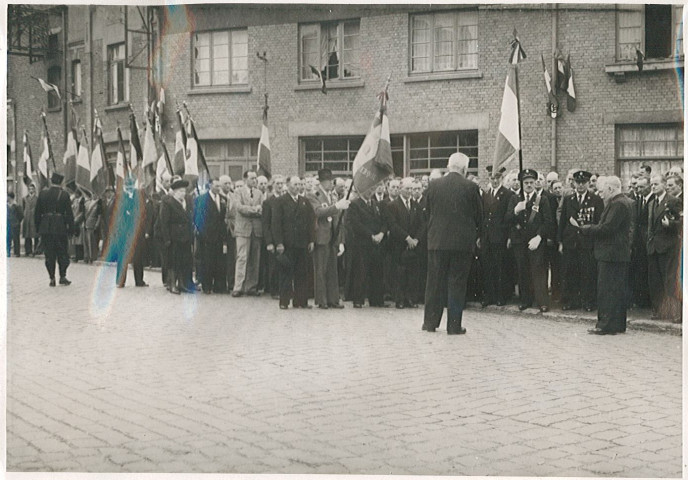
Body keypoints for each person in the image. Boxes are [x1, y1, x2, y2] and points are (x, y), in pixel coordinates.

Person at [422, 152, 482, 334]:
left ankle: (430, 323)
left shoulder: (433, 185)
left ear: (448, 166)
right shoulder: (471, 187)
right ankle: (453, 325)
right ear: (465, 169)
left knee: (434, 283)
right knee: (457, 284)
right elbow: (478, 216)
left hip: (437, 243)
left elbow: (426, 213)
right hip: (461, 245)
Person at [575, 176, 634, 334]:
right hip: (617, 254)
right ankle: (617, 324)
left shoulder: (617, 204)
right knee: (617, 290)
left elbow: (607, 228)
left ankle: (605, 325)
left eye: (603, 191)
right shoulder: (624, 202)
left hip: (610, 254)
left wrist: (585, 228)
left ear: (611, 189)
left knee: (606, 290)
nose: (600, 195)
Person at [505, 169, 553, 313]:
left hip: (535, 242)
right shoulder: (515, 199)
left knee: (538, 271)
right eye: (526, 183)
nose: (529, 185)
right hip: (519, 241)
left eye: (531, 182)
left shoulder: (541, 200)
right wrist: (515, 211)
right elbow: (507, 219)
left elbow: (548, 222)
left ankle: (542, 301)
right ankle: (525, 300)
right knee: (522, 270)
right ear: (522, 183)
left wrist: (539, 237)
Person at [558, 170, 604, 311]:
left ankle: (588, 302)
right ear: (574, 183)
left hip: (587, 242)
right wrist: (560, 241)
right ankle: (571, 301)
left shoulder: (596, 200)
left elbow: (599, 222)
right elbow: (563, 222)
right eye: (578, 182)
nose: (580, 186)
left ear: (588, 183)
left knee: (587, 273)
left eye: (583, 183)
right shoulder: (568, 199)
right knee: (570, 272)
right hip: (571, 242)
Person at [307, 168, 349, 309]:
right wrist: (336, 206)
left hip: (332, 235)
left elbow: (338, 220)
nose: (331, 184)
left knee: (332, 270)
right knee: (320, 269)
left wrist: (340, 240)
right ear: (323, 182)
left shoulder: (332, 196)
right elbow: (318, 212)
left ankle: (333, 299)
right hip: (321, 236)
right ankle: (321, 300)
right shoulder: (314, 195)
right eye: (329, 181)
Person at [272, 176, 316, 309]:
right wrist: (279, 242)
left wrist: (311, 240)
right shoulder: (280, 201)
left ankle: (301, 301)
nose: (298, 187)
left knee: (302, 273)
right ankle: (284, 301)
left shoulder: (304, 201)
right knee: (286, 273)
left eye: (299, 184)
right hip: (287, 243)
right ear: (288, 185)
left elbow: (310, 221)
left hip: (302, 243)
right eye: (295, 184)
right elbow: (276, 223)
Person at [384, 177, 425, 309]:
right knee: (399, 273)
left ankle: (411, 299)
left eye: (411, 189)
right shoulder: (393, 205)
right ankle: (399, 299)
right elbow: (393, 225)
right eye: (407, 189)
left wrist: (416, 239)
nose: (410, 191)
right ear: (401, 189)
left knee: (413, 273)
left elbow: (422, 224)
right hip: (398, 244)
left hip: (413, 245)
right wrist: (407, 238)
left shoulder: (416, 206)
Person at [646, 173, 682, 321]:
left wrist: (670, 225)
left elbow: (681, 223)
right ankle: (658, 311)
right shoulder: (651, 203)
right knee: (655, 281)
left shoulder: (673, 201)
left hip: (667, 247)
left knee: (669, 280)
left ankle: (673, 313)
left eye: (656, 184)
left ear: (663, 185)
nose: (653, 187)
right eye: (652, 185)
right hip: (654, 247)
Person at [346, 187, 388, 308]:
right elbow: (356, 223)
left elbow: (385, 221)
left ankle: (376, 299)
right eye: (368, 189)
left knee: (377, 271)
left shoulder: (377, 204)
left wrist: (381, 233)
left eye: (371, 190)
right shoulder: (354, 205)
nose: (370, 192)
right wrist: (371, 235)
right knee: (361, 271)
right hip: (362, 242)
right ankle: (358, 299)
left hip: (377, 242)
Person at [479, 165, 514, 307]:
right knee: (487, 267)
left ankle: (500, 296)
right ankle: (489, 296)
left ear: (502, 178)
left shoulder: (507, 194)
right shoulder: (486, 194)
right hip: (487, 236)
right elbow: (482, 216)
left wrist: (509, 237)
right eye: (492, 178)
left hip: (500, 236)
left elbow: (508, 217)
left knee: (500, 267)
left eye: (497, 178)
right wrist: (480, 236)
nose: (494, 181)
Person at [34, 172, 75, 286]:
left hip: (46, 228)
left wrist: (38, 228)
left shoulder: (42, 194)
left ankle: (52, 278)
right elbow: (69, 215)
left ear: (51, 181)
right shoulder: (64, 195)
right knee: (62, 253)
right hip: (60, 228)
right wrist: (71, 229)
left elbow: (37, 213)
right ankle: (62, 276)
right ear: (61, 182)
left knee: (49, 254)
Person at [107, 177, 148, 287]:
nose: (129, 189)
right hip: (123, 232)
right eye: (127, 187)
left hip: (137, 232)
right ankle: (120, 281)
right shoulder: (119, 198)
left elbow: (144, 214)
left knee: (138, 258)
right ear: (124, 187)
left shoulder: (139, 197)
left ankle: (139, 281)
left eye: (131, 187)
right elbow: (113, 216)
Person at [160, 178, 195, 294]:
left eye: (184, 191)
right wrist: (167, 239)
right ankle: (172, 284)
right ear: (174, 192)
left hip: (185, 237)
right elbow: (164, 222)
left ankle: (182, 284)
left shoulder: (186, 203)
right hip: (174, 237)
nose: (183, 194)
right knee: (173, 262)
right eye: (180, 191)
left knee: (183, 261)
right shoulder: (168, 203)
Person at [233, 170, 264, 297]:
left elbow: (262, 208)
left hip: (256, 229)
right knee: (242, 258)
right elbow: (239, 208)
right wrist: (254, 209)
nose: (255, 181)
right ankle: (238, 286)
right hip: (243, 229)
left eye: (256, 178)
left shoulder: (259, 193)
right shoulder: (238, 192)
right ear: (245, 179)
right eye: (252, 178)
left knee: (254, 259)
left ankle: (251, 286)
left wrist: (258, 210)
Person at [194, 178, 227, 294]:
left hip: (218, 235)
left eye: (219, 186)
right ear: (210, 186)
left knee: (219, 262)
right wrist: (202, 233)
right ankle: (206, 286)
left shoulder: (223, 199)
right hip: (207, 236)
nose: (218, 188)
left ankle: (218, 286)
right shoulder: (202, 199)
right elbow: (198, 217)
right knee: (207, 261)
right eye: (216, 186)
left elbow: (222, 218)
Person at [262, 174, 285, 299]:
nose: (280, 186)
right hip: (274, 238)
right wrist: (269, 242)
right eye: (277, 184)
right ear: (273, 185)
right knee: (274, 266)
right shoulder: (268, 202)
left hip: (285, 238)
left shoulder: (286, 199)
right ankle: (274, 290)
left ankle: (284, 289)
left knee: (284, 265)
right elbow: (265, 223)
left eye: (282, 183)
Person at [219, 175, 236, 293]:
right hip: (220, 231)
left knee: (231, 258)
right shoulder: (218, 197)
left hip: (232, 230)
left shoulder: (233, 197)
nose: (228, 186)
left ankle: (231, 282)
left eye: (229, 183)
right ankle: (221, 282)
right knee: (221, 258)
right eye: (225, 183)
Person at [83, 192, 101, 263]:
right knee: (86, 241)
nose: (94, 195)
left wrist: (97, 224)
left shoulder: (98, 205)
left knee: (91, 242)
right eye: (93, 194)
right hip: (86, 223)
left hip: (92, 224)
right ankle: (86, 256)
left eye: (95, 194)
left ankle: (92, 257)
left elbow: (99, 216)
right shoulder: (87, 203)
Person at [22, 184, 38, 256]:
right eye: (30, 189)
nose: (31, 190)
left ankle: (36, 250)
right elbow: (23, 208)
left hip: (34, 218)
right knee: (27, 235)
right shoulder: (25, 198)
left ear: (34, 190)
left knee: (35, 235)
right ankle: (28, 250)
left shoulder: (37, 198)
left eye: (32, 189)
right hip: (27, 218)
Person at [7, 192, 23, 257]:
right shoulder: (6, 205)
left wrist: (18, 221)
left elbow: (21, 215)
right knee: (8, 238)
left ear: (10, 197)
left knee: (16, 239)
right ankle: (8, 252)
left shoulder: (17, 206)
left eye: (7, 196)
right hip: (8, 224)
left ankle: (17, 252)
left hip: (15, 224)